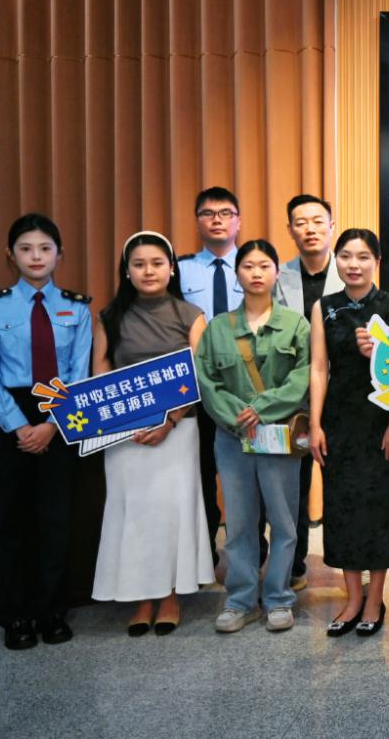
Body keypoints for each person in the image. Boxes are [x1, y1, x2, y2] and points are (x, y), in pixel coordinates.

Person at [0, 213, 92, 649]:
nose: (36, 256)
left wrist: (51, 426)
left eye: (45, 248)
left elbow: (79, 372)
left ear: (60, 254)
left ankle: (52, 610)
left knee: (55, 518)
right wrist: (21, 426)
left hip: (60, 415)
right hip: (8, 417)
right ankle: (16, 614)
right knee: (10, 519)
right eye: (26, 249)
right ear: (11, 255)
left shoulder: (78, 307)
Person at [91, 232, 214, 635]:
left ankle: (171, 595)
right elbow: (101, 373)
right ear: (126, 271)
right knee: (134, 514)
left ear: (172, 269)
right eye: (139, 264)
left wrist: (170, 420)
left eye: (157, 263)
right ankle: (142, 597)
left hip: (177, 430)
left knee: (171, 513)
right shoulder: (109, 317)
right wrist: (125, 422)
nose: (148, 271)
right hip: (125, 433)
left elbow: (200, 374)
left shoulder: (191, 314)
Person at [196, 240, 311, 634]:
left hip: (277, 435)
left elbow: (303, 376)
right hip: (233, 438)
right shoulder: (218, 328)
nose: (256, 273)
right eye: (248, 266)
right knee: (240, 523)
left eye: (264, 265)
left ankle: (279, 597)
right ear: (237, 273)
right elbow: (207, 380)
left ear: (277, 272)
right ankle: (241, 600)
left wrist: (262, 408)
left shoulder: (296, 325)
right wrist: (238, 416)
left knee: (284, 521)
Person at [307, 229, 389, 638]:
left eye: (363, 256)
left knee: (380, 507)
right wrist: (315, 424)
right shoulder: (324, 306)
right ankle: (351, 599)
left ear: (377, 262)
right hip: (338, 421)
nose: (353, 264)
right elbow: (318, 368)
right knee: (342, 506)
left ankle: (375, 598)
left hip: (381, 422)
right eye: (345, 256)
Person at [274, 193, 345, 591]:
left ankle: (350, 560)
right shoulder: (277, 276)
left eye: (318, 221)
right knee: (293, 485)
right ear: (290, 230)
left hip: (343, 394)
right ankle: (294, 563)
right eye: (301, 222)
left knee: (344, 481)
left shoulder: (351, 270)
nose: (310, 229)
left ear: (331, 226)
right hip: (292, 398)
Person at [177, 186, 245, 565]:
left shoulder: (254, 265)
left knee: (247, 476)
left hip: (244, 389)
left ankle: (249, 554)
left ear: (238, 220)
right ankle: (204, 556)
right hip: (196, 388)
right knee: (200, 472)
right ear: (197, 221)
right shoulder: (179, 269)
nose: (217, 220)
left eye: (225, 213)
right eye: (208, 213)